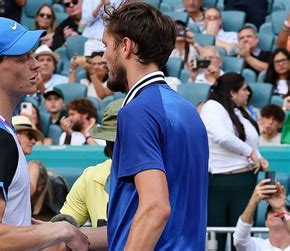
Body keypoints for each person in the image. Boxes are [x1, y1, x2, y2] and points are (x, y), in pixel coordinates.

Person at [0, 17, 89, 250]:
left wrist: (38, 231)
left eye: (32, 55)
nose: (35, 64)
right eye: (22, 58)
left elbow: (1, 222)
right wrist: (61, 230)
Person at [102, 2, 209, 250]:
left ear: (126, 46)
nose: (104, 57)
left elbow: (155, 208)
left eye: (106, 46)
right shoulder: (188, 111)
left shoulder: (136, 112)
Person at [200, 72, 269, 251]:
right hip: (219, 182)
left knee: (243, 237)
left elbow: (252, 142)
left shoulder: (241, 110)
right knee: (218, 238)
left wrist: (259, 157)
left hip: (245, 180)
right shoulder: (212, 106)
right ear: (232, 92)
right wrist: (251, 153)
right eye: (244, 89)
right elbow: (221, 136)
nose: (248, 93)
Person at [60, 98, 122, 228]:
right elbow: (65, 223)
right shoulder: (91, 176)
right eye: (112, 142)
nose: (118, 148)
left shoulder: (164, 178)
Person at [233, 179, 290, 250]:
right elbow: (239, 240)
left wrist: (280, 209)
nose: (276, 214)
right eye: (271, 211)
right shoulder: (256, 246)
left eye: (281, 214)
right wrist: (253, 202)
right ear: (266, 222)